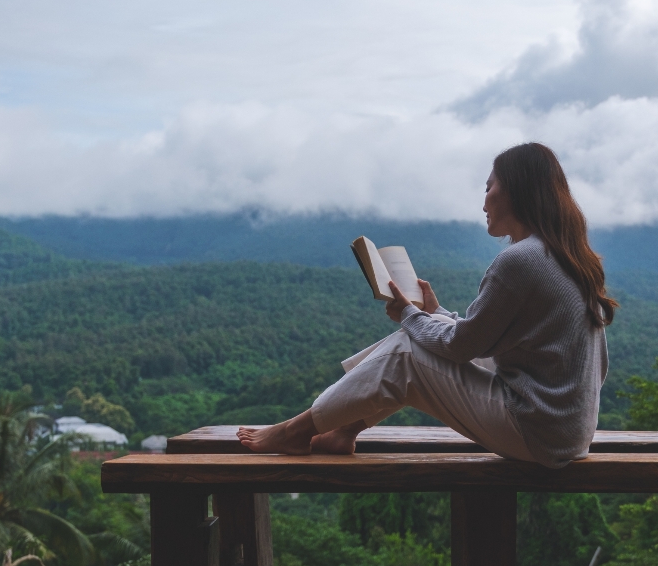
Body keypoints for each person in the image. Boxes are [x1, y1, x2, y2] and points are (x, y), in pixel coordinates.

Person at [237, 142, 615, 468]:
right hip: (568, 430)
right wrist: (433, 315)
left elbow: (464, 346)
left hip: (537, 432)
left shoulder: (520, 260)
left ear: (515, 191)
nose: (484, 200)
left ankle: (294, 431)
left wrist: (408, 315)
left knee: (407, 352)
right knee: (415, 340)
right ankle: (343, 430)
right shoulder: (569, 255)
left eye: (490, 187)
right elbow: (482, 338)